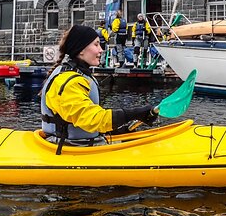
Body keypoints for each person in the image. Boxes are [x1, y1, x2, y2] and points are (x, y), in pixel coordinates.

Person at [41, 24, 157, 153]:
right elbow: (91, 119)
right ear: (81, 49)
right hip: (71, 148)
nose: (101, 50)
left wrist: (115, 130)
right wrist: (133, 113)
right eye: (96, 45)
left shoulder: (75, 74)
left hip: (81, 143)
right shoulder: (68, 81)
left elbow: (84, 119)